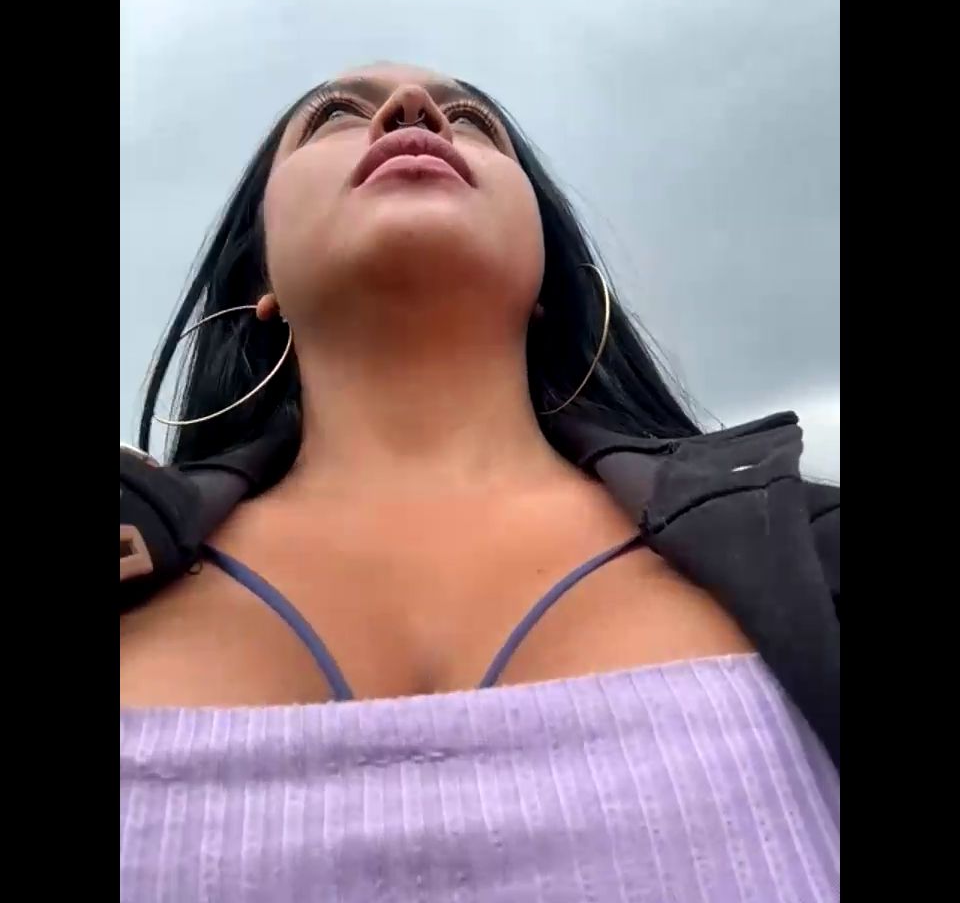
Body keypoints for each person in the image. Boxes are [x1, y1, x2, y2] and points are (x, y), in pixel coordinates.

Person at [119, 57, 840, 901]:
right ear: (262, 278)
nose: (411, 110)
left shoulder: (810, 550)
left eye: (473, 123)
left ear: (546, 279)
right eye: (335, 116)